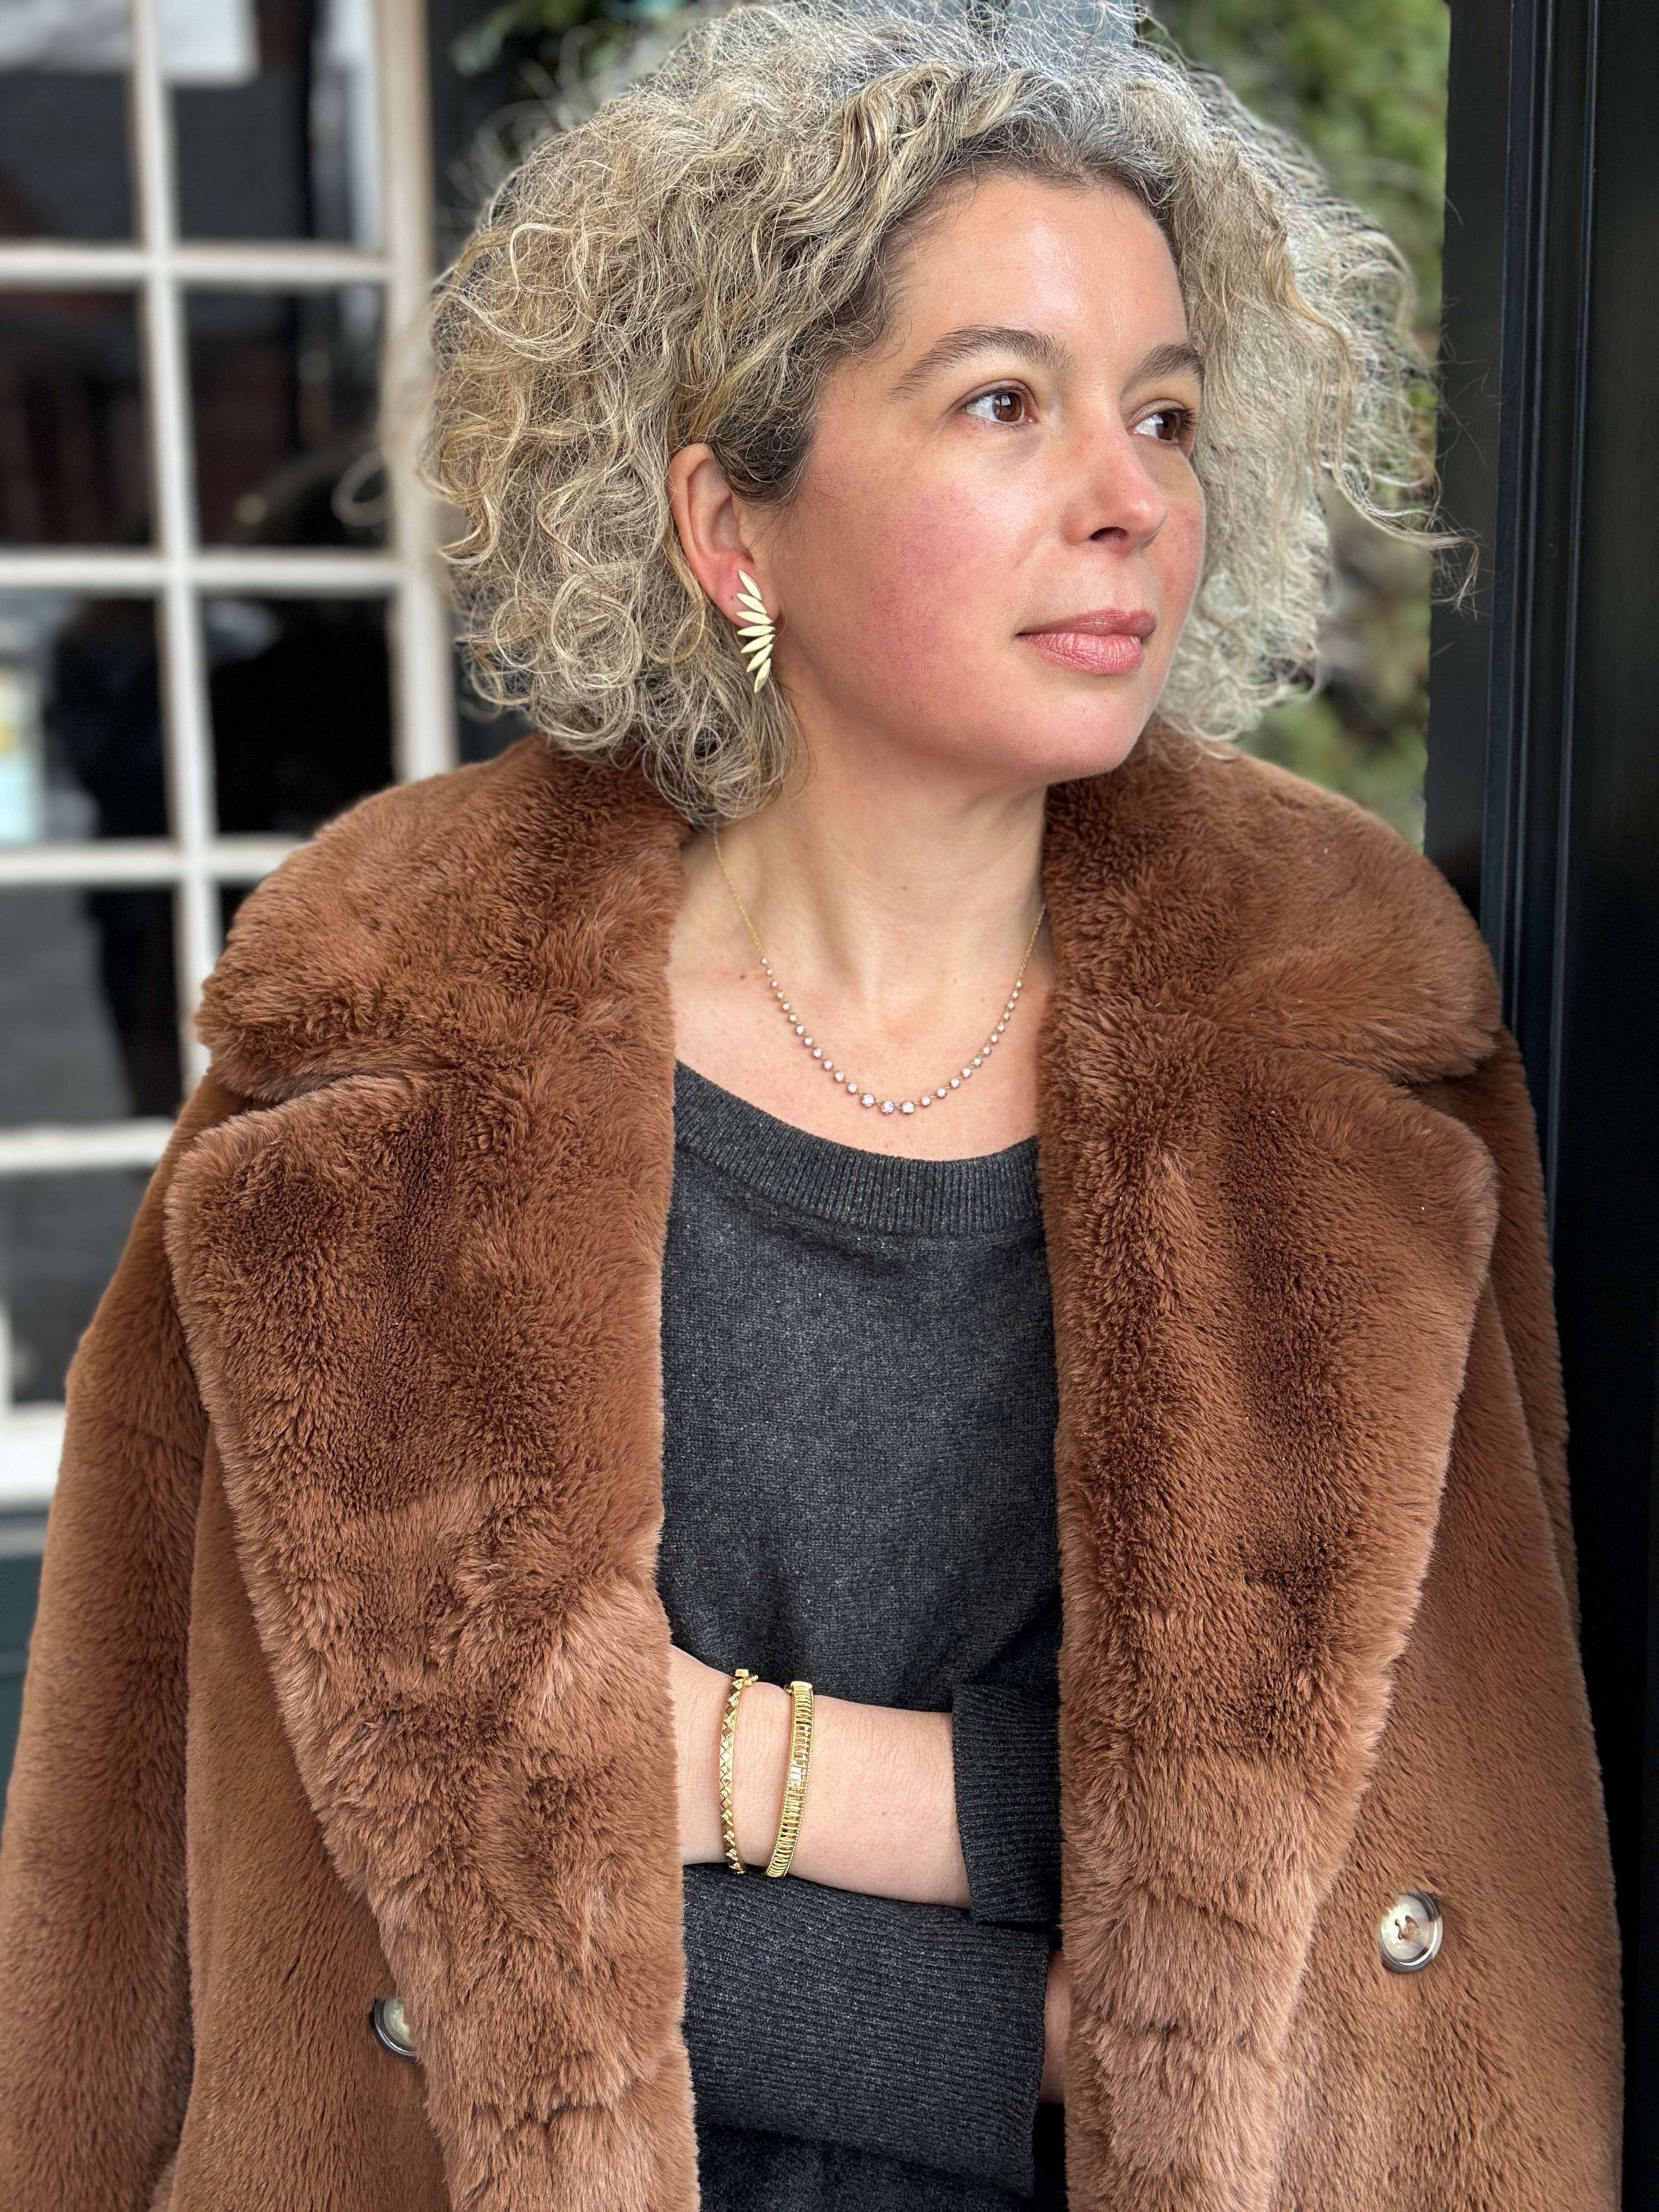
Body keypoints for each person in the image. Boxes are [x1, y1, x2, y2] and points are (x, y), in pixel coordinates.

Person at [0, 3, 1622, 2208]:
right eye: (1002, 403)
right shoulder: (378, 1066)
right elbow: (207, 1856)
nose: (1131, 495)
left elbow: (1389, 1847)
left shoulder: (1350, 1060)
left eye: (1165, 411)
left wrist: (727, 1771)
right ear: (732, 521)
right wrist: (1028, 2014)